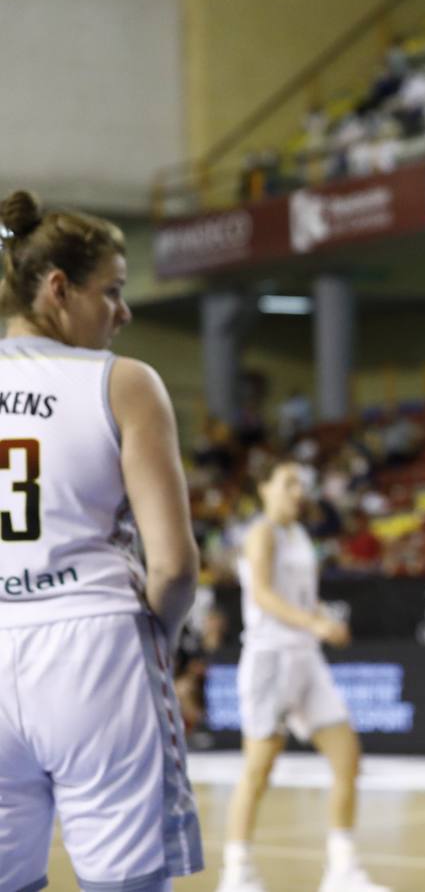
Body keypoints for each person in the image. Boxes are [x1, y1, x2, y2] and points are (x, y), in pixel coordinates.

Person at [0, 190, 203, 892]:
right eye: (112, 291)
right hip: (93, 645)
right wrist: (161, 640)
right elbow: (173, 566)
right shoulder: (124, 384)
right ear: (58, 288)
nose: (125, 311)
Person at [217, 461, 389, 892]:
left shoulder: (299, 536)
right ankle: (236, 872)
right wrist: (313, 625)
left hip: (305, 658)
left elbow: (301, 599)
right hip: (269, 658)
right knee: (258, 768)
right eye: (288, 483)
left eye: (301, 484)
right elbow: (262, 594)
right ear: (265, 489)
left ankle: (342, 870)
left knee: (347, 757)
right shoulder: (261, 533)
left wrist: (324, 620)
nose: (297, 491)